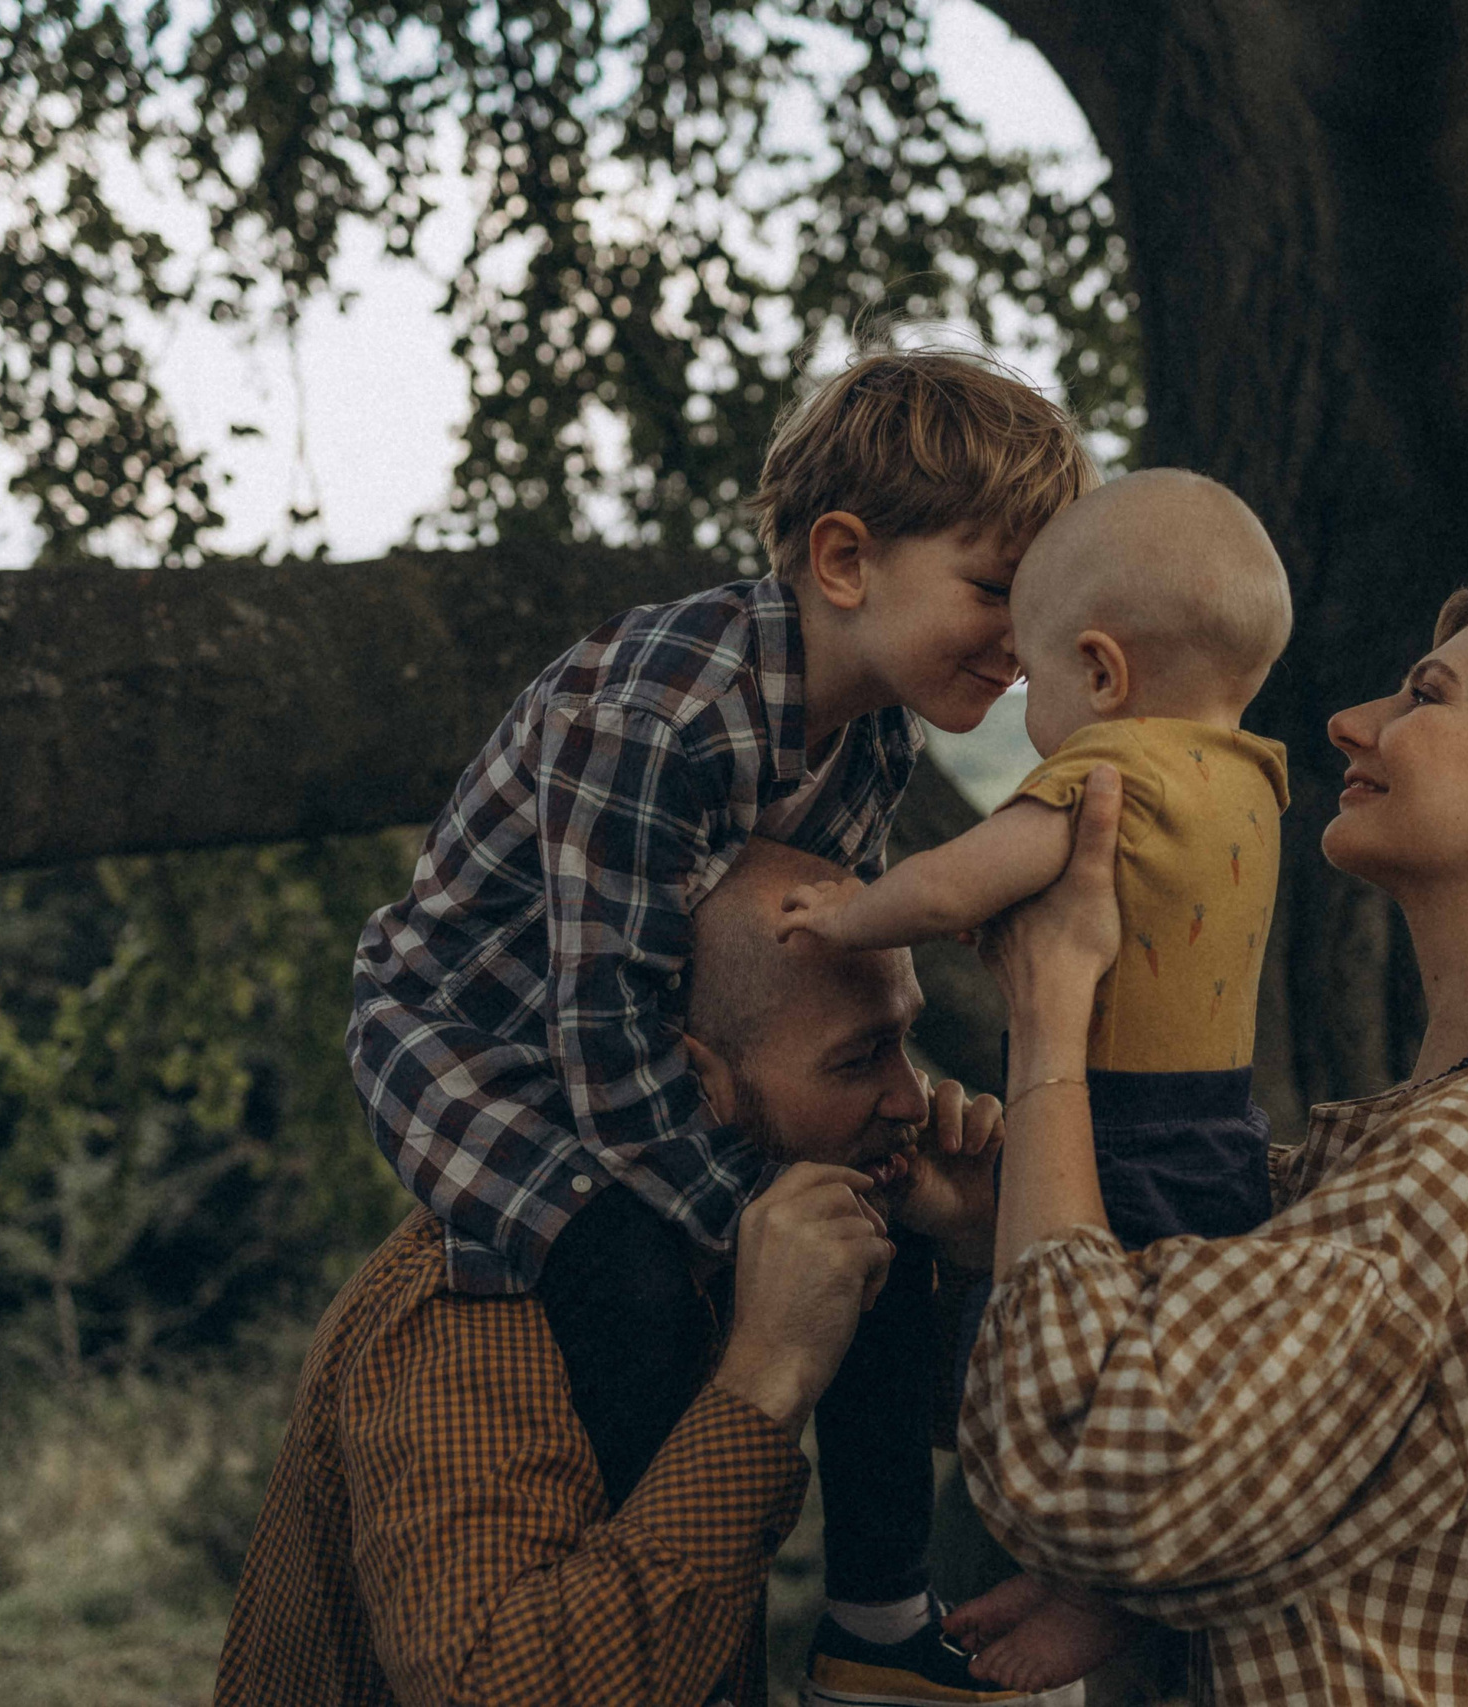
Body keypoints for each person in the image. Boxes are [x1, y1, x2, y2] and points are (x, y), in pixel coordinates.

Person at [343, 348, 1092, 1700]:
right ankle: (684, 1644)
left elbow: (818, 965)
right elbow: (605, 1016)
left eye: (1037, 607)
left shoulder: (872, 739)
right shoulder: (664, 714)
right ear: (847, 560)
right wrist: (741, 1234)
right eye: (992, 591)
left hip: (640, 1032)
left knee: (865, 1217)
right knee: (629, 1264)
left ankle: (876, 1612)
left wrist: (885, 1176)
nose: (1020, 644)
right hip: (472, 1033)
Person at [950, 568, 1468, 1700]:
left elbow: (1094, 1464)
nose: (1349, 724)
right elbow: (1300, 1468)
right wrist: (997, 1205)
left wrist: (1050, 1020)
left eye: (1424, 698)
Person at [220, 841, 1010, 1705]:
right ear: (696, 1079)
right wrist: (765, 1379)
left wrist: (970, 1246)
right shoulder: (478, 1305)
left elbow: (976, 1432)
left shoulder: (736, 1221)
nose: (912, 1095)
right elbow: (497, 1690)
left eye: (905, 1038)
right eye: (859, 1060)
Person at [776, 466, 1295, 1686]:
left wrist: (852, 914)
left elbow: (962, 877)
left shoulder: (1110, 768)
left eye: (1040, 671)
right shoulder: (1254, 783)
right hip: (1222, 1131)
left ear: (1104, 673)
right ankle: (1124, 1604)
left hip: (1105, 1131)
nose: (1026, 698)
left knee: (1065, 1380)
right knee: (1175, 1372)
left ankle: (1068, 1567)